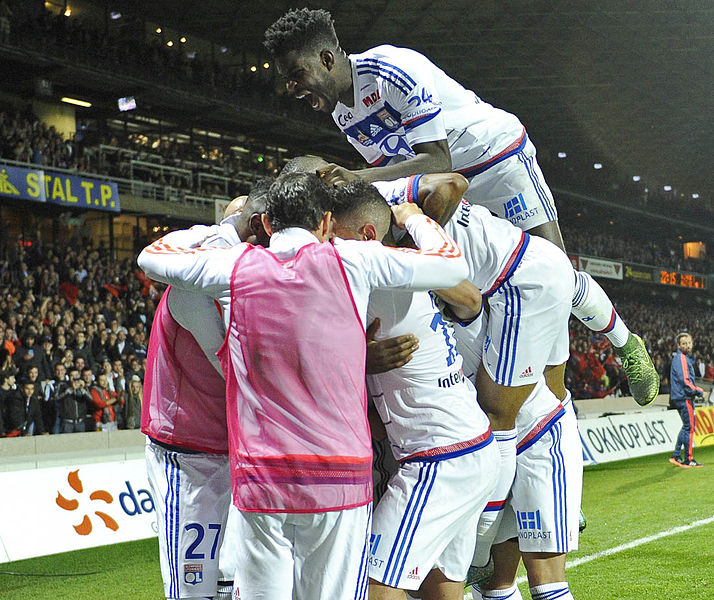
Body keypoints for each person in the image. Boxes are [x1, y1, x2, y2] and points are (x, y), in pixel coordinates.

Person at [263, 7, 659, 407]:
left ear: (326, 59)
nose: (292, 87)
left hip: (497, 162)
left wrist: (358, 178)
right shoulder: (342, 112)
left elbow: (438, 159)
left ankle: (625, 344)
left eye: (296, 74)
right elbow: (395, 174)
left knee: (554, 268)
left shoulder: (392, 70)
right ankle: (543, 405)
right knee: (490, 279)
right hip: (450, 187)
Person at [137, 172, 469, 600]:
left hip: (262, 478)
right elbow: (450, 265)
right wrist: (415, 218)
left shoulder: (234, 267)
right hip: (340, 478)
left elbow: (152, 256)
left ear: (269, 225)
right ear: (327, 222)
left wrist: (218, 230)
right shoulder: (353, 260)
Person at [373, 173, 583, 600]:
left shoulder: (524, 289)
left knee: (544, 583)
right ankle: (481, 554)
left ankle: (482, 550)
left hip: (518, 437)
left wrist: (623, 340)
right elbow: (466, 294)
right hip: (475, 448)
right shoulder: (460, 295)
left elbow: (449, 184)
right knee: (488, 584)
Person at [330, 180, 497, 600]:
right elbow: (469, 296)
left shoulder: (378, 268)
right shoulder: (404, 269)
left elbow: (467, 289)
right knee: (441, 589)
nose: (328, 247)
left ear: (368, 236)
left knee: (372, 585)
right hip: (468, 446)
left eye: (335, 237)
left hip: (439, 457)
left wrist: (416, 217)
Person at [141, 187, 269, 600]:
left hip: (235, 448)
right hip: (189, 451)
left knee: (236, 583)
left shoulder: (241, 275)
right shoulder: (197, 286)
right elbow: (242, 377)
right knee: (194, 590)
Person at [669, 332, 706, 468]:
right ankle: (688, 458)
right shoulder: (682, 359)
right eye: (684, 343)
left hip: (679, 396)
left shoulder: (680, 358)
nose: (687, 346)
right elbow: (685, 381)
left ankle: (677, 455)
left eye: (689, 343)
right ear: (679, 345)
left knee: (686, 426)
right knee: (689, 427)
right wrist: (698, 391)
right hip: (684, 397)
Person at [56, 368, 92, 433]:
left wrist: (82, 389)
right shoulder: (63, 385)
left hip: (80, 421)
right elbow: (57, 398)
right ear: (69, 377)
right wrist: (70, 389)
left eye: (76, 375)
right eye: (72, 376)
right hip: (67, 422)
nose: (74, 378)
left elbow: (91, 399)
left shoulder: (83, 386)